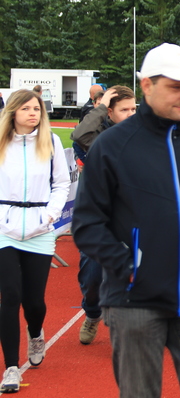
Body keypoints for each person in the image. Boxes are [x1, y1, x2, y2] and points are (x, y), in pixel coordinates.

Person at [71, 43, 180, 398]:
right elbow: (87, 223)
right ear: (146, 85)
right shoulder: (111, 146)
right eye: (176, 87)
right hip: (134, 302)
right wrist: (128, 266)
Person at [0, 90, 70, 393]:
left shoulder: (50, 141)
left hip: (40, 230)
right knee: (10, 295)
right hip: (4, 229)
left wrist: (50, 214)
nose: (33, 113)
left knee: (34, 302)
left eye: (37, 109)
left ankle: (36, 330)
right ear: (13, 112)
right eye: (27, 108)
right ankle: (11, 367)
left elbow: (62, 183)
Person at [69, 85, 137, 346]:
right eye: (124, 110)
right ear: (109, 112)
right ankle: (92, 312)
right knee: (92, 277)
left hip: (132, 215)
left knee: (136, 272)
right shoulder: (101, 138)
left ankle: (129, 325)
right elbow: (79, 135)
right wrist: (101, 105)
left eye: (134, 109)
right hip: (99, 216)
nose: (131, 114)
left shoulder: (142, 135)